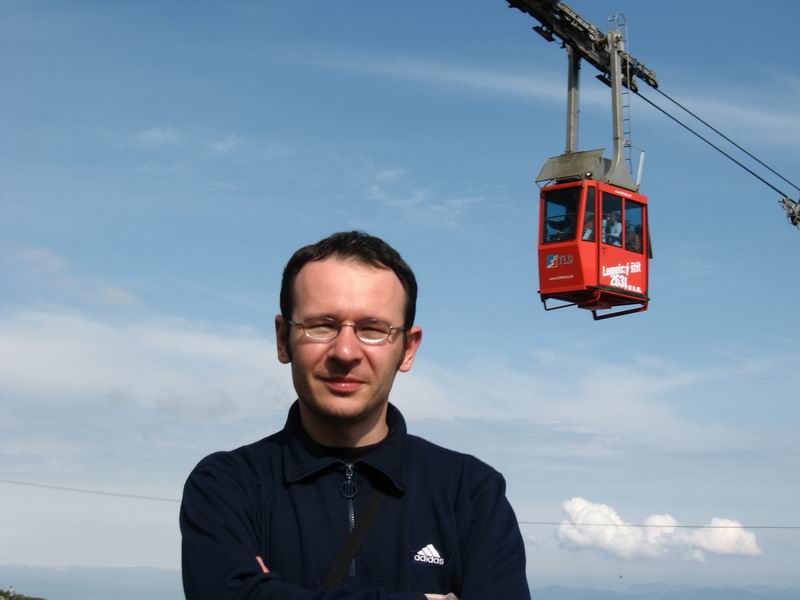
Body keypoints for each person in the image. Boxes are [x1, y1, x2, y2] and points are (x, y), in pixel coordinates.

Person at [180, 231, 530, 600]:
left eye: (373, 330)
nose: (345, 351)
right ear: (283, 340)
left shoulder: (471, 492)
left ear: (408, 349)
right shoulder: (226, 485)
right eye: (321, 326)